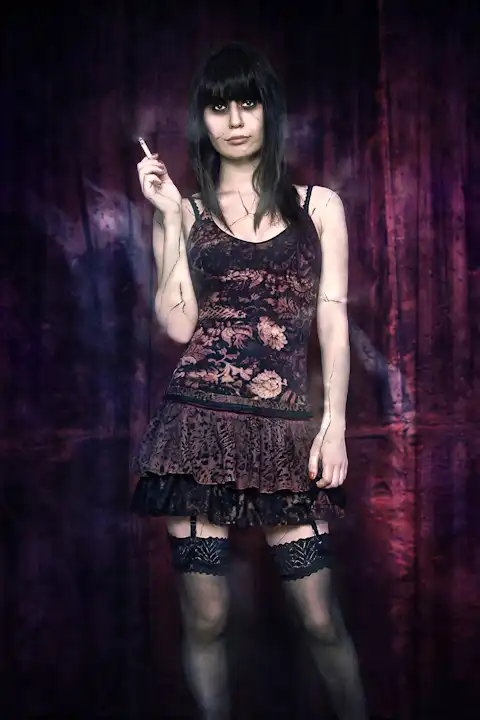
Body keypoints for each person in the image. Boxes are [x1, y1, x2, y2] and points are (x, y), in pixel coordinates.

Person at [131, 41, 367, 720]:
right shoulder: (187, 210)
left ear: (269, 111)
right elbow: (178, 325)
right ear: (201, 118)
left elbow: (332, 321)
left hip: (284, 435)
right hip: (195, 432)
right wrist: (167, 216)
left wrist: (334, 425)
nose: (234, 121)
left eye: (247, 104)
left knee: (319, 616)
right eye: (218, 107)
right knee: (206, 618)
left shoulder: (319, 206)